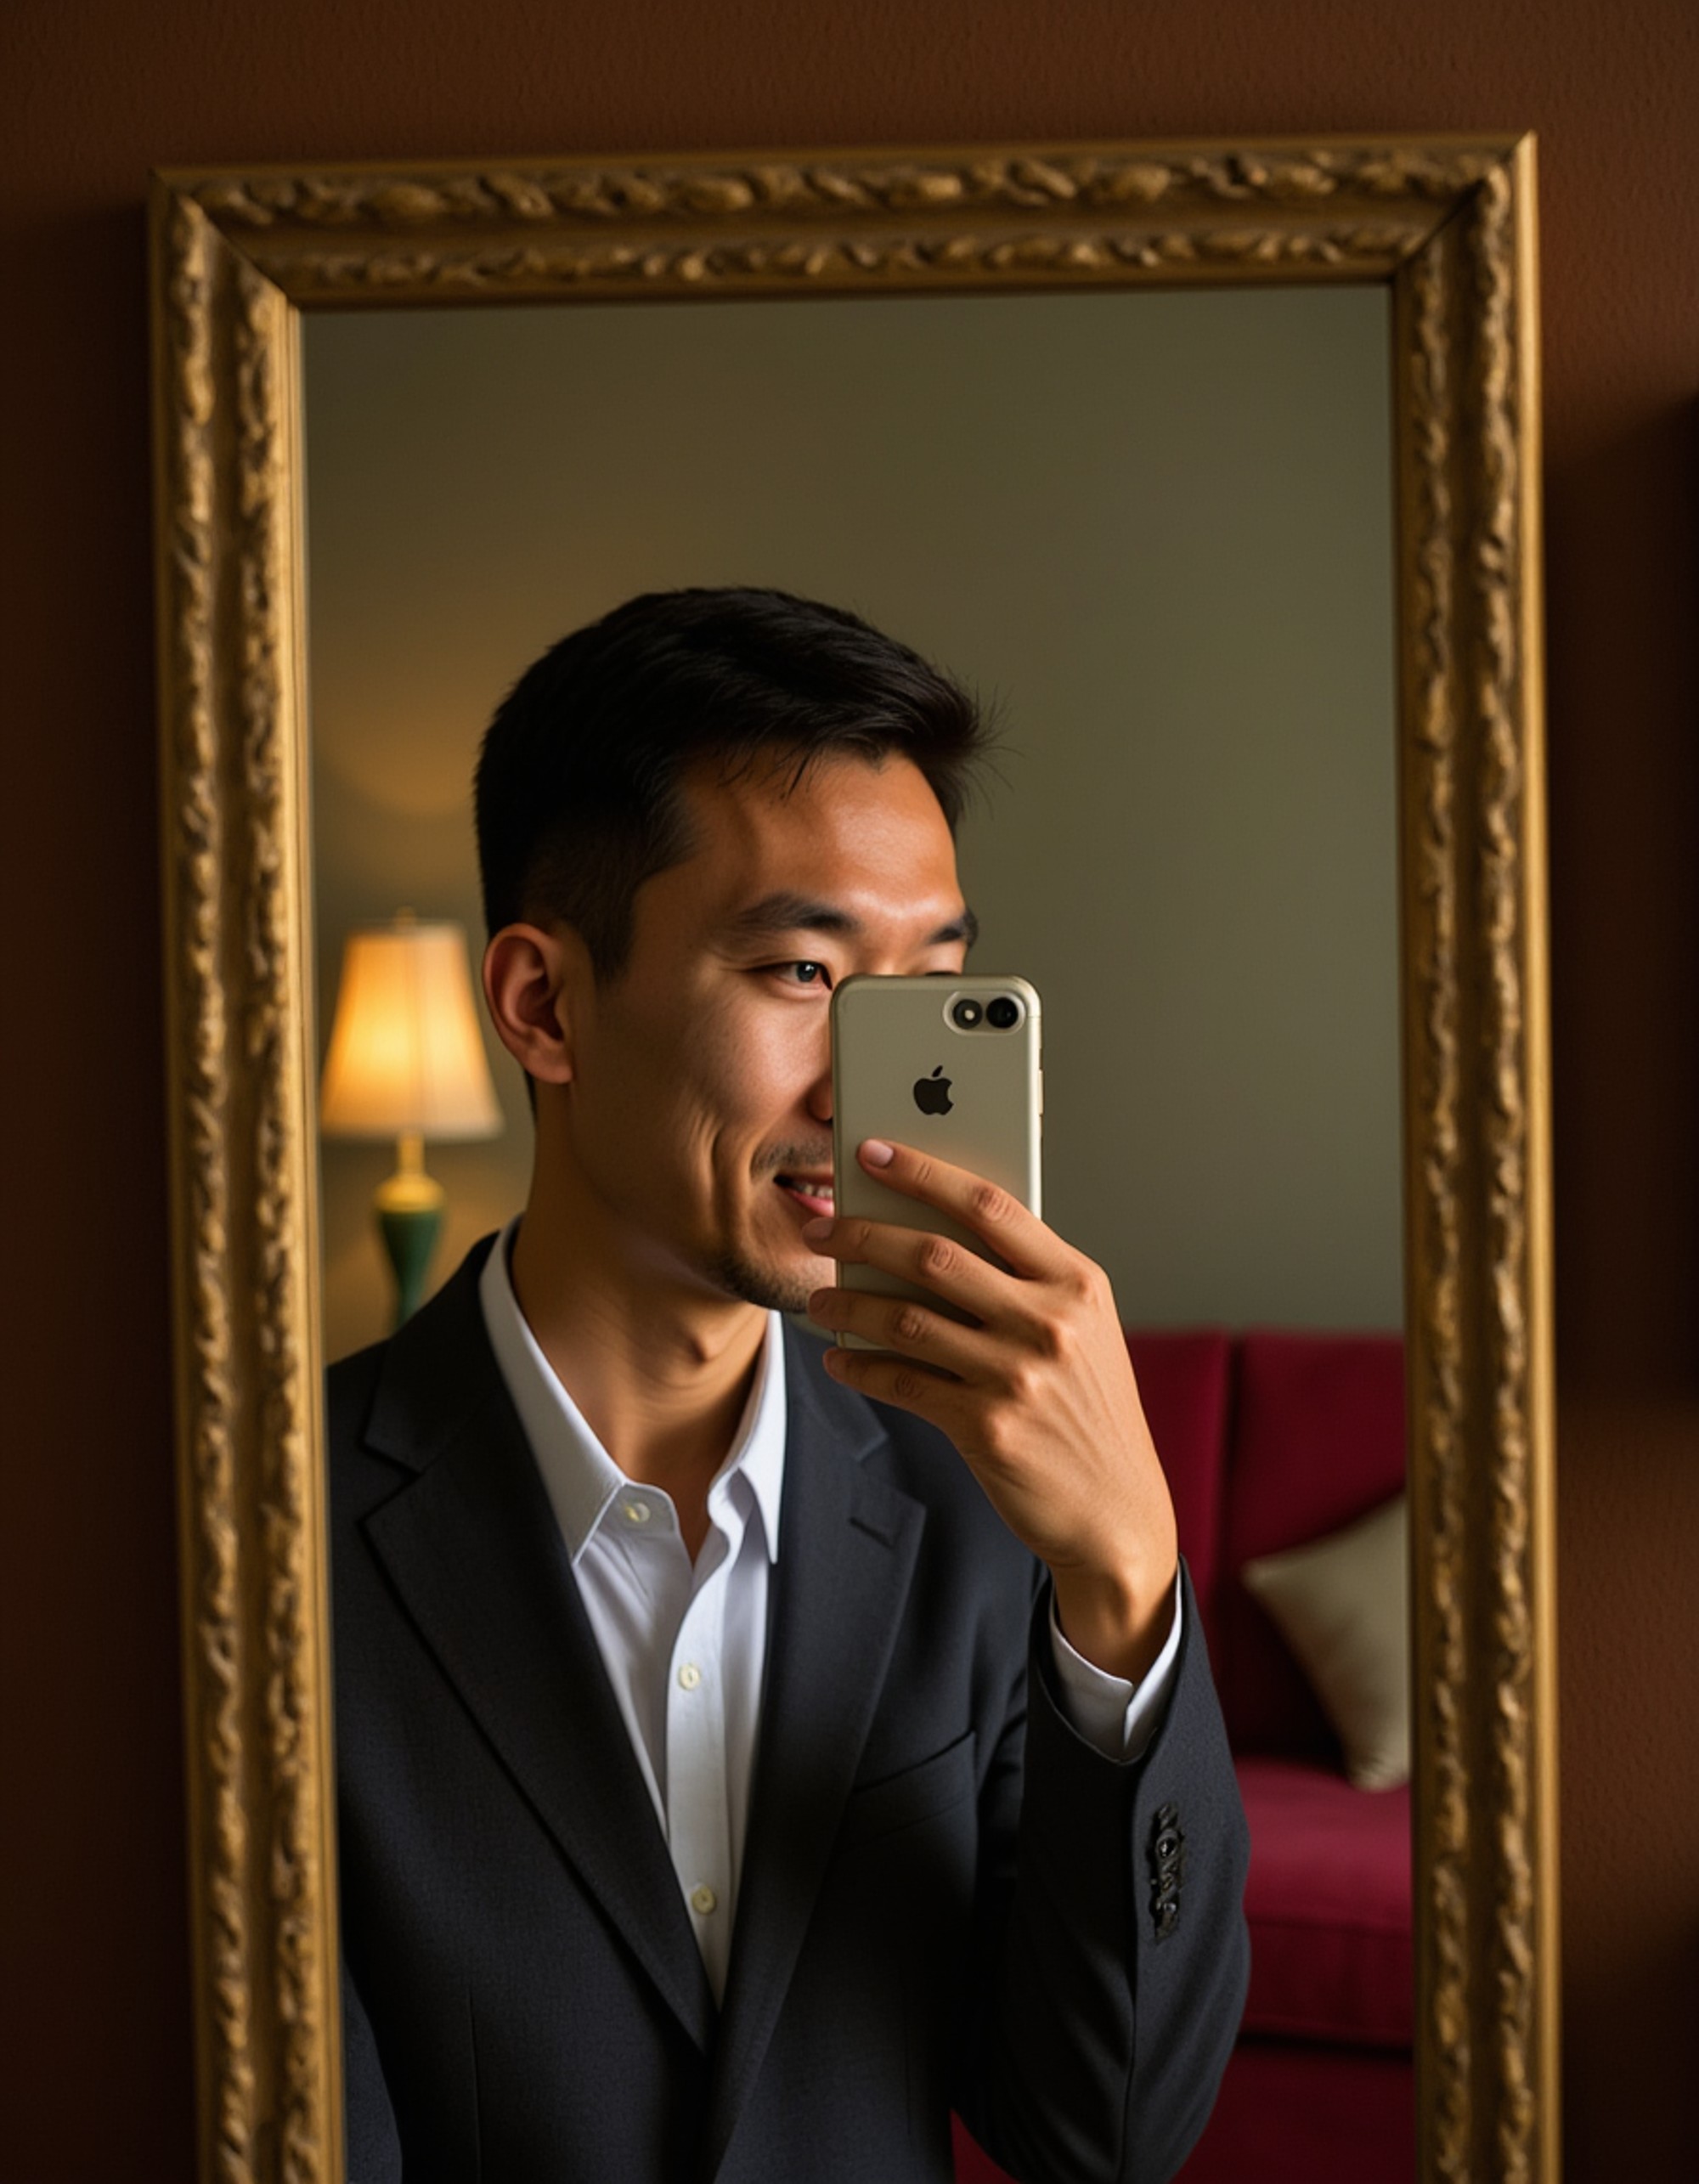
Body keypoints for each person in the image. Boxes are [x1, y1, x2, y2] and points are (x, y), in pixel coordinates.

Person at [331, 587, 1250, 2184]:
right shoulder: (272, 1534)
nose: (870, 1091)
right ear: (544, 1006)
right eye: (805, 976)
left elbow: (1107, 2134)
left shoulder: (978, 1502)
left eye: (929, 985)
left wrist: (1125, 1582)